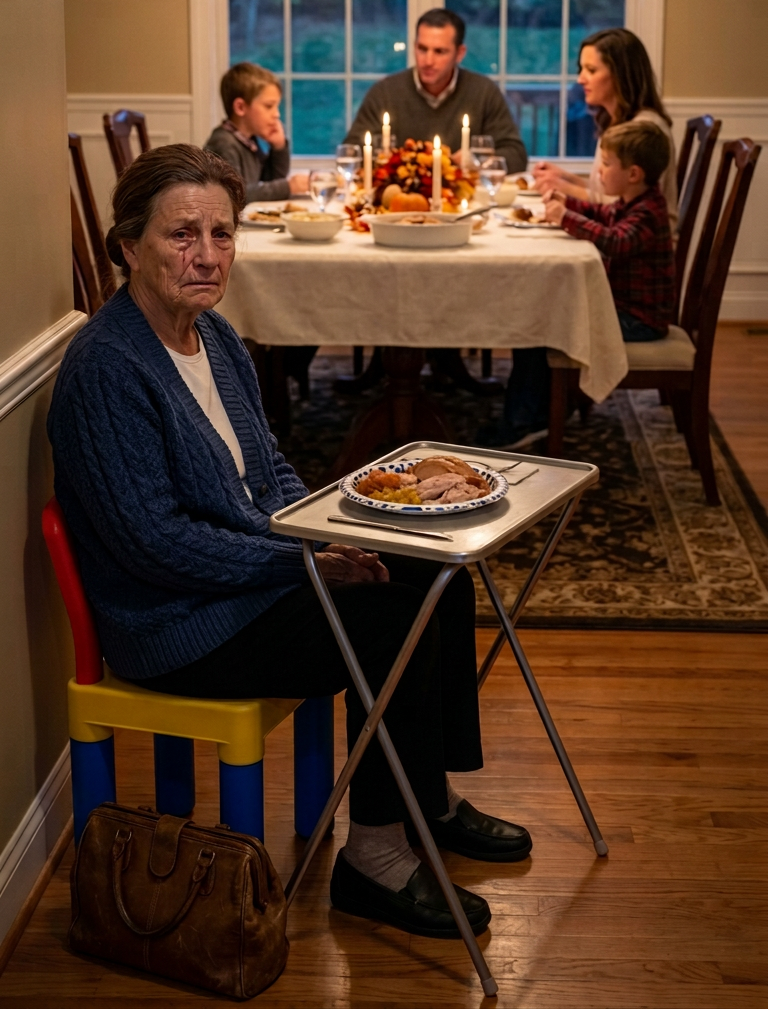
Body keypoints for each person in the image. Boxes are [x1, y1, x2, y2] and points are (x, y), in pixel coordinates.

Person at [48, 143, 532, 943]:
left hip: (247, 580)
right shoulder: (108, 368)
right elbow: (155, 543)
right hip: (177, 622)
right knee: (390, 623)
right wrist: (303, 561)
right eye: (182, 234)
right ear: (129, 245)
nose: (208, 255)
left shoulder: (215, 337)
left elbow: (269, 471)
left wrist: (327, 535)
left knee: (436, 571)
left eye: (221, 233)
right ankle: (373, 856)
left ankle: (427, 799)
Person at [498, 120, 676, 445]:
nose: (599, 172)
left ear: (633, 174)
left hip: (639, 319)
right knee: (540, 320)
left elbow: (614, 240)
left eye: (606, 164)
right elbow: (602, 214)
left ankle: (527, 419)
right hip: (625, 308)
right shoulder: (633, 201)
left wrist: (565, 217)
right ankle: (542, 407)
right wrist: (568, 203)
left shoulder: (647, 213)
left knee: (538, 326)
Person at [346, 8, 527, 174]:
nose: (428, 61)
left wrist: (475, 161)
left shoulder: (483, 92)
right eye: (422, 49)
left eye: (439, 52)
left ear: (459, 53)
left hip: (464, 195)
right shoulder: (385, 92)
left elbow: (516, 155)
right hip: (400, 194)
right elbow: (352, 152)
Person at [533, 28, 678, 229]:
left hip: (640, 243)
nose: (580, 79)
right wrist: (564, 178)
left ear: (620, 75)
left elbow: (628, 208)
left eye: (591, 70)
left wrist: (566, 189)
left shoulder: (644, 130)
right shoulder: (615, 120)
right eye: (581, 69)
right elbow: (607, 191)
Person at [205, 62, 309, 203]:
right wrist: (288, 187)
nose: (277, 114)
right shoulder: (224, 144)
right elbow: (234, 195)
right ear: (240, 107)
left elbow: (270, 180)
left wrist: (279, 147)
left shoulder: (248, 140)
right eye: (269, 106)